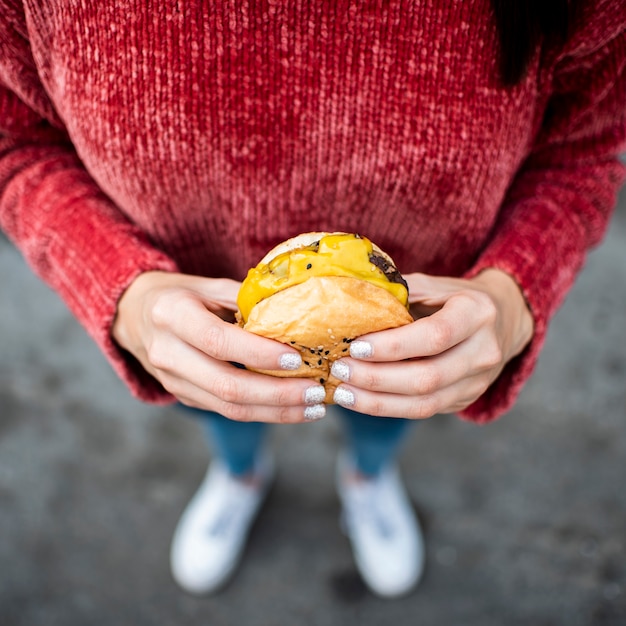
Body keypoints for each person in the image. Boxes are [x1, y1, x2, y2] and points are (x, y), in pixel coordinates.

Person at [1, 0, 624, 599]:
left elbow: (584, 147)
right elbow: (16, 142)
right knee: (227, 418)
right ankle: (241, 474)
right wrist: (123, 292)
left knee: (378, 418)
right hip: (196, 333)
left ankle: (368, 478)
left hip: (415, 338)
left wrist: (514, 293)